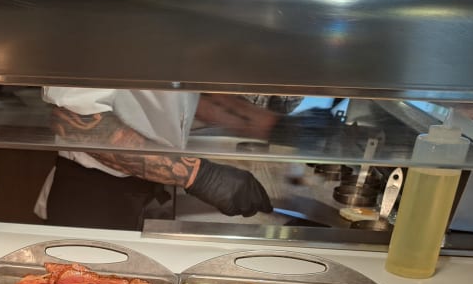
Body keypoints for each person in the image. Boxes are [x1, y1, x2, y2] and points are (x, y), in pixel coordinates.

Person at [34, 87, 334, 231]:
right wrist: (198, 174)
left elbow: (180, 93)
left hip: (156, 185)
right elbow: (76, 121)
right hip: (96, 196)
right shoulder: (103, 4)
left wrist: (273, 125)